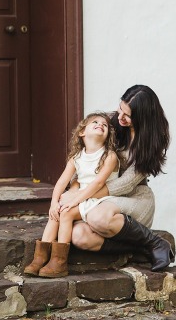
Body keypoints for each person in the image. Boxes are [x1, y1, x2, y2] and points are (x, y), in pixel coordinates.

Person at [66, 85, 174, 272]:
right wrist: (74, 189)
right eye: (120, 109)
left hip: (134, 197)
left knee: (98, 217)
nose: (120, 117)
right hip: (98, 196)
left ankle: (155, 242)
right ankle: (140, 248)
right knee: (79, 236)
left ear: (142, 118)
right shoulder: (110, 123)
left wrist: (83, 196)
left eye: (128, 115)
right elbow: (86, 156)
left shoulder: (151, 141)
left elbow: (126, 184)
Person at [24, 112, 120, 278]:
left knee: (66, 211)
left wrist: (74, 201)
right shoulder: (77, 157)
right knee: (57, 211)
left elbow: (98, 184)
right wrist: (54, 202)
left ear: (107, 136)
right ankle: (40, 257)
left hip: (99, 199)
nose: (100, 125)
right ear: (82, 132)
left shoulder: (109, 156)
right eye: (95, 122)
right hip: (81, 198)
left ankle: (59, 262)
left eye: (104, 125)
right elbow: (62, 182)